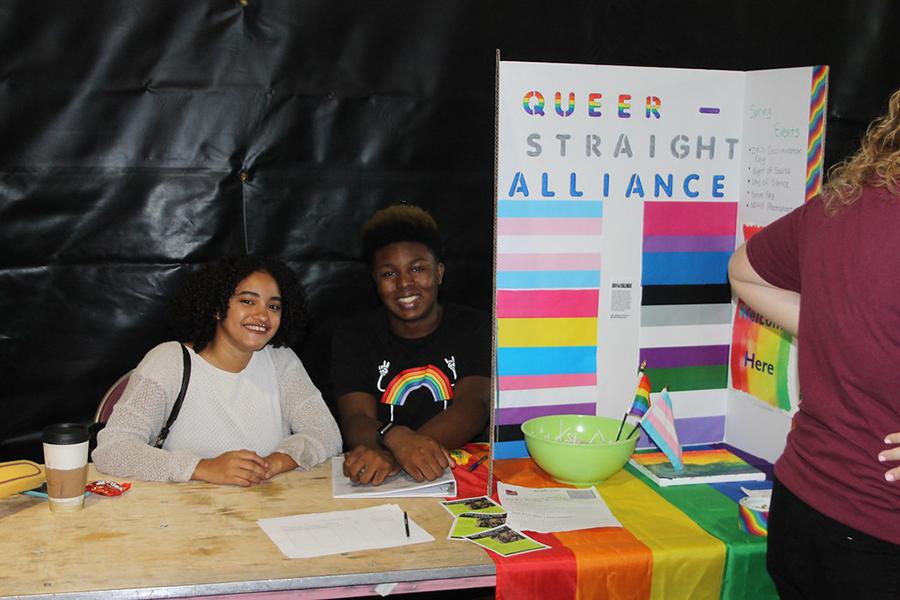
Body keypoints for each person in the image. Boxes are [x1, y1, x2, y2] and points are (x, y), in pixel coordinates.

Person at [728, 89, 900, 598]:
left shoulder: (844, 203)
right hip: (879, 532)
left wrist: (840, 327)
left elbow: (744, 273)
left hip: (802, 508)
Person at [92, 256, 342, 485]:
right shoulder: (169, 361)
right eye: (247, 301)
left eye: (273, 306)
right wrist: (202, 468)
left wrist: (273, 462)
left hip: (268, 509)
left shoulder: (281, 360)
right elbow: (113, 449)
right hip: (187, 516)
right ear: (217, 307)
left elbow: (326, 433)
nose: (262, 315)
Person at [331, 204, 490, 485]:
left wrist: (399, 454)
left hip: (462, 475)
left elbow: (474, 406)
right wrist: (395, 437)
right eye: (389, 274)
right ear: (375, 281)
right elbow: (355, 419)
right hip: (382, 482)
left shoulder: (474, 326)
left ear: (439, 272)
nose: (405, 283)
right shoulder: (353, 335)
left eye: (417, 268)